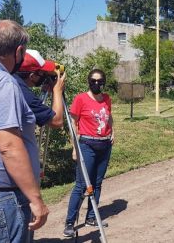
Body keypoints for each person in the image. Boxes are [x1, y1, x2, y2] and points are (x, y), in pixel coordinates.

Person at [0, 20, 49, 242]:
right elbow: (9, 146)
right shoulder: (2, 81)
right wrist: (35, 198)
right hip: (0, 200)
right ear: (19, 51)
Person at [63, 68, 114, 237]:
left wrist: (112, 132)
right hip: (87, 145)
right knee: (82, 185)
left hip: (105, 145)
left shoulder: (107, 99)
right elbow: (73, 124)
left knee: (97, 183)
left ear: (104, 82)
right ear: (89, 82)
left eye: (100, 81)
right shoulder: (80, 99)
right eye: (93, 81)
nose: (97, 84)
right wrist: (75, 147)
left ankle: (92, 217)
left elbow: (108, 116)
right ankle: (70, 223)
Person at [14, 49, 66, 128]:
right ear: (32, 76)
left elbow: (34, 109)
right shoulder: (24, 95)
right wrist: (57, 91)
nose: (45, 76)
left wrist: (43, 92)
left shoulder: (13, 83)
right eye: (43, 73)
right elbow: (57, 121)